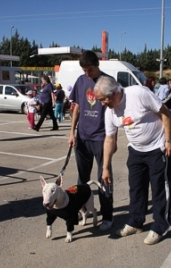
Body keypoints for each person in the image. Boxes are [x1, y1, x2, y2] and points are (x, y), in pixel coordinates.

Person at [94, 75, 171, 245]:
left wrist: (168, 140)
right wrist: (105, 167)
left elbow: (166, 113)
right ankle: (136, 222)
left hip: (157, 148)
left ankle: (160, 226)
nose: (102, 104)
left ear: (114, 93)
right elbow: (109, 139)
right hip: (136, 151)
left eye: (103, 100)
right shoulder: (110, 112)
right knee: (136, 189)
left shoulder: (138, 94)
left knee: (160, 188)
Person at [67, 50, 113, 231]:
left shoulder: (108, 81)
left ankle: (108, 216)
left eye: (90, 70)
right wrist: (72, 132)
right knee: (82, 179)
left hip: (101, 137)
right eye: (85, 70)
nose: (87, 73)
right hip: (82, 137)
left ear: (98, 65)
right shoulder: (81, 81)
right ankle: (81, 211)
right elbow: (77, 107)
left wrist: (112, 137)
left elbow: (114, 109)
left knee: (104, 177)